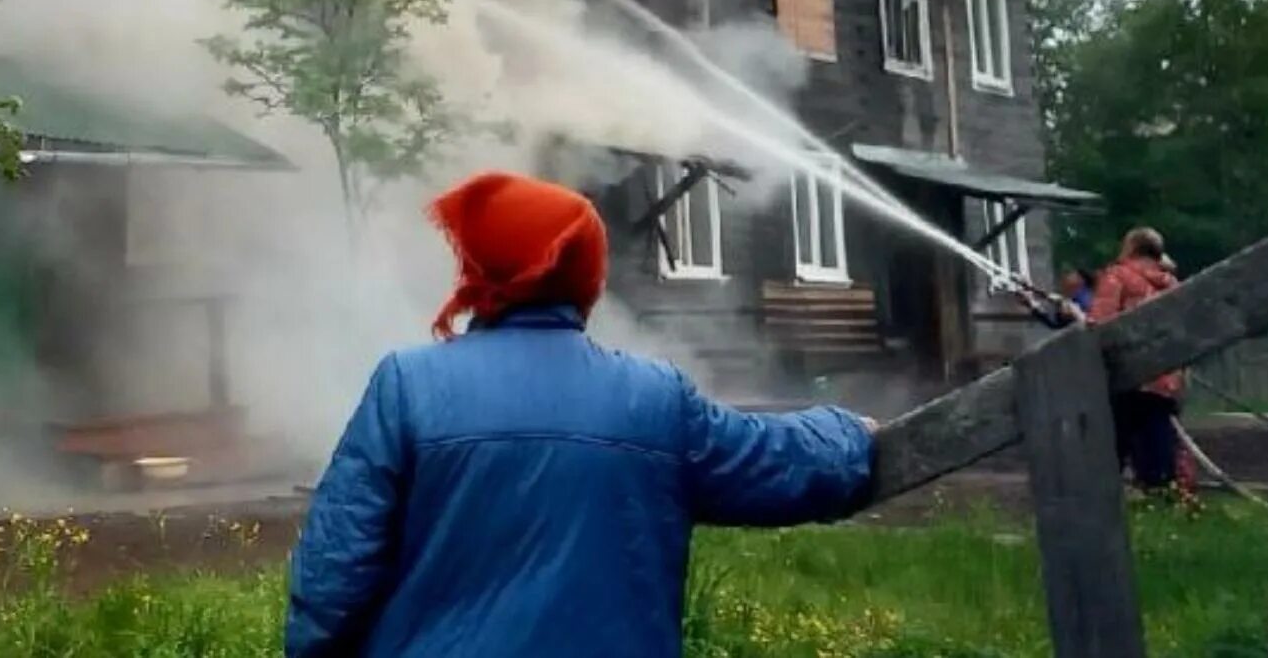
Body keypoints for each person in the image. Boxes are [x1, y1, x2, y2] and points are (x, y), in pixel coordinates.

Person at [285, 172, 876, 658]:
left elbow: (332, 574)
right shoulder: (653, 398)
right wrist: (850, 435)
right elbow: (776, 460)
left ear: (478, 270)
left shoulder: (406, 386)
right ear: (585, 278)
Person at [1088, 226, 1184, 491]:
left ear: (1130, 247)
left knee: (1113, 449)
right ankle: (1163, 499)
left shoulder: (1117, 277)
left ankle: (1103, 503)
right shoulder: (1172, 284)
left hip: (1126, 379)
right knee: (1158, 447)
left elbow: (1101, 323)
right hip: (1164, 380)